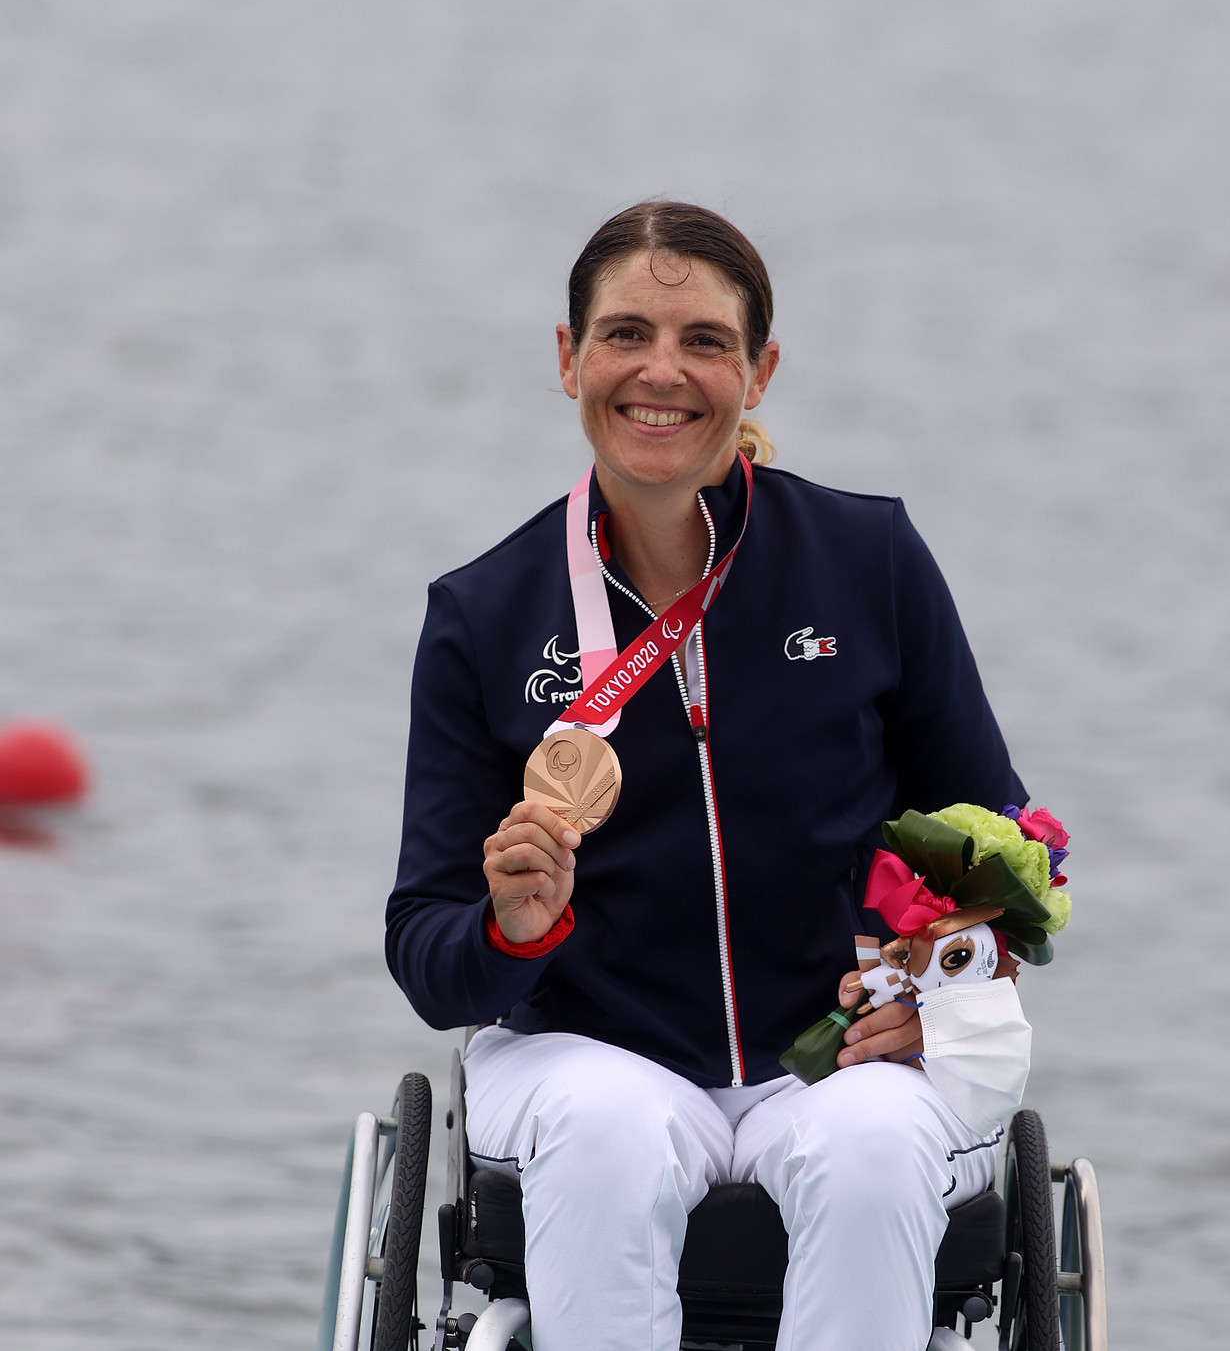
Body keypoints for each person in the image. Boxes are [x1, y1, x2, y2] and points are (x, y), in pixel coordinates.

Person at [386, 202, 1028, 1351]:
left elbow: (995, 840)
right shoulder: (481, 615)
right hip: (587, 1056)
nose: (662, 372)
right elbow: (429, 956)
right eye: (626, 333)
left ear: (760, 369)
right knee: (608, 1128)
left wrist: (935, 987)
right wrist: (512, 926)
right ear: (570, 357)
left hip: (824, 1059)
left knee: (877, 1144)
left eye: (705, 341)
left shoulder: (868, 560)